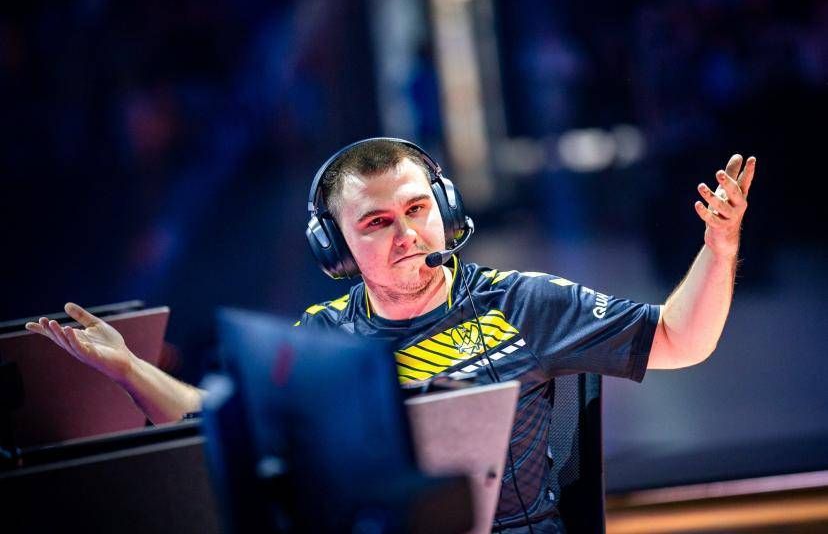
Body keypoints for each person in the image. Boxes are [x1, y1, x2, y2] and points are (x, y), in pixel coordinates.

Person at [26, 138, 755, 533]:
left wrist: (717, 250)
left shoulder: (522, 302)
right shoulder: (319, 342)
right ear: (337, 250)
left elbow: (680, 339)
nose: (407, 234)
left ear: (445, 209)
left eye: (417, 209)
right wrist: (128, 368)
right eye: (377, 222)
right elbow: (212, 422)